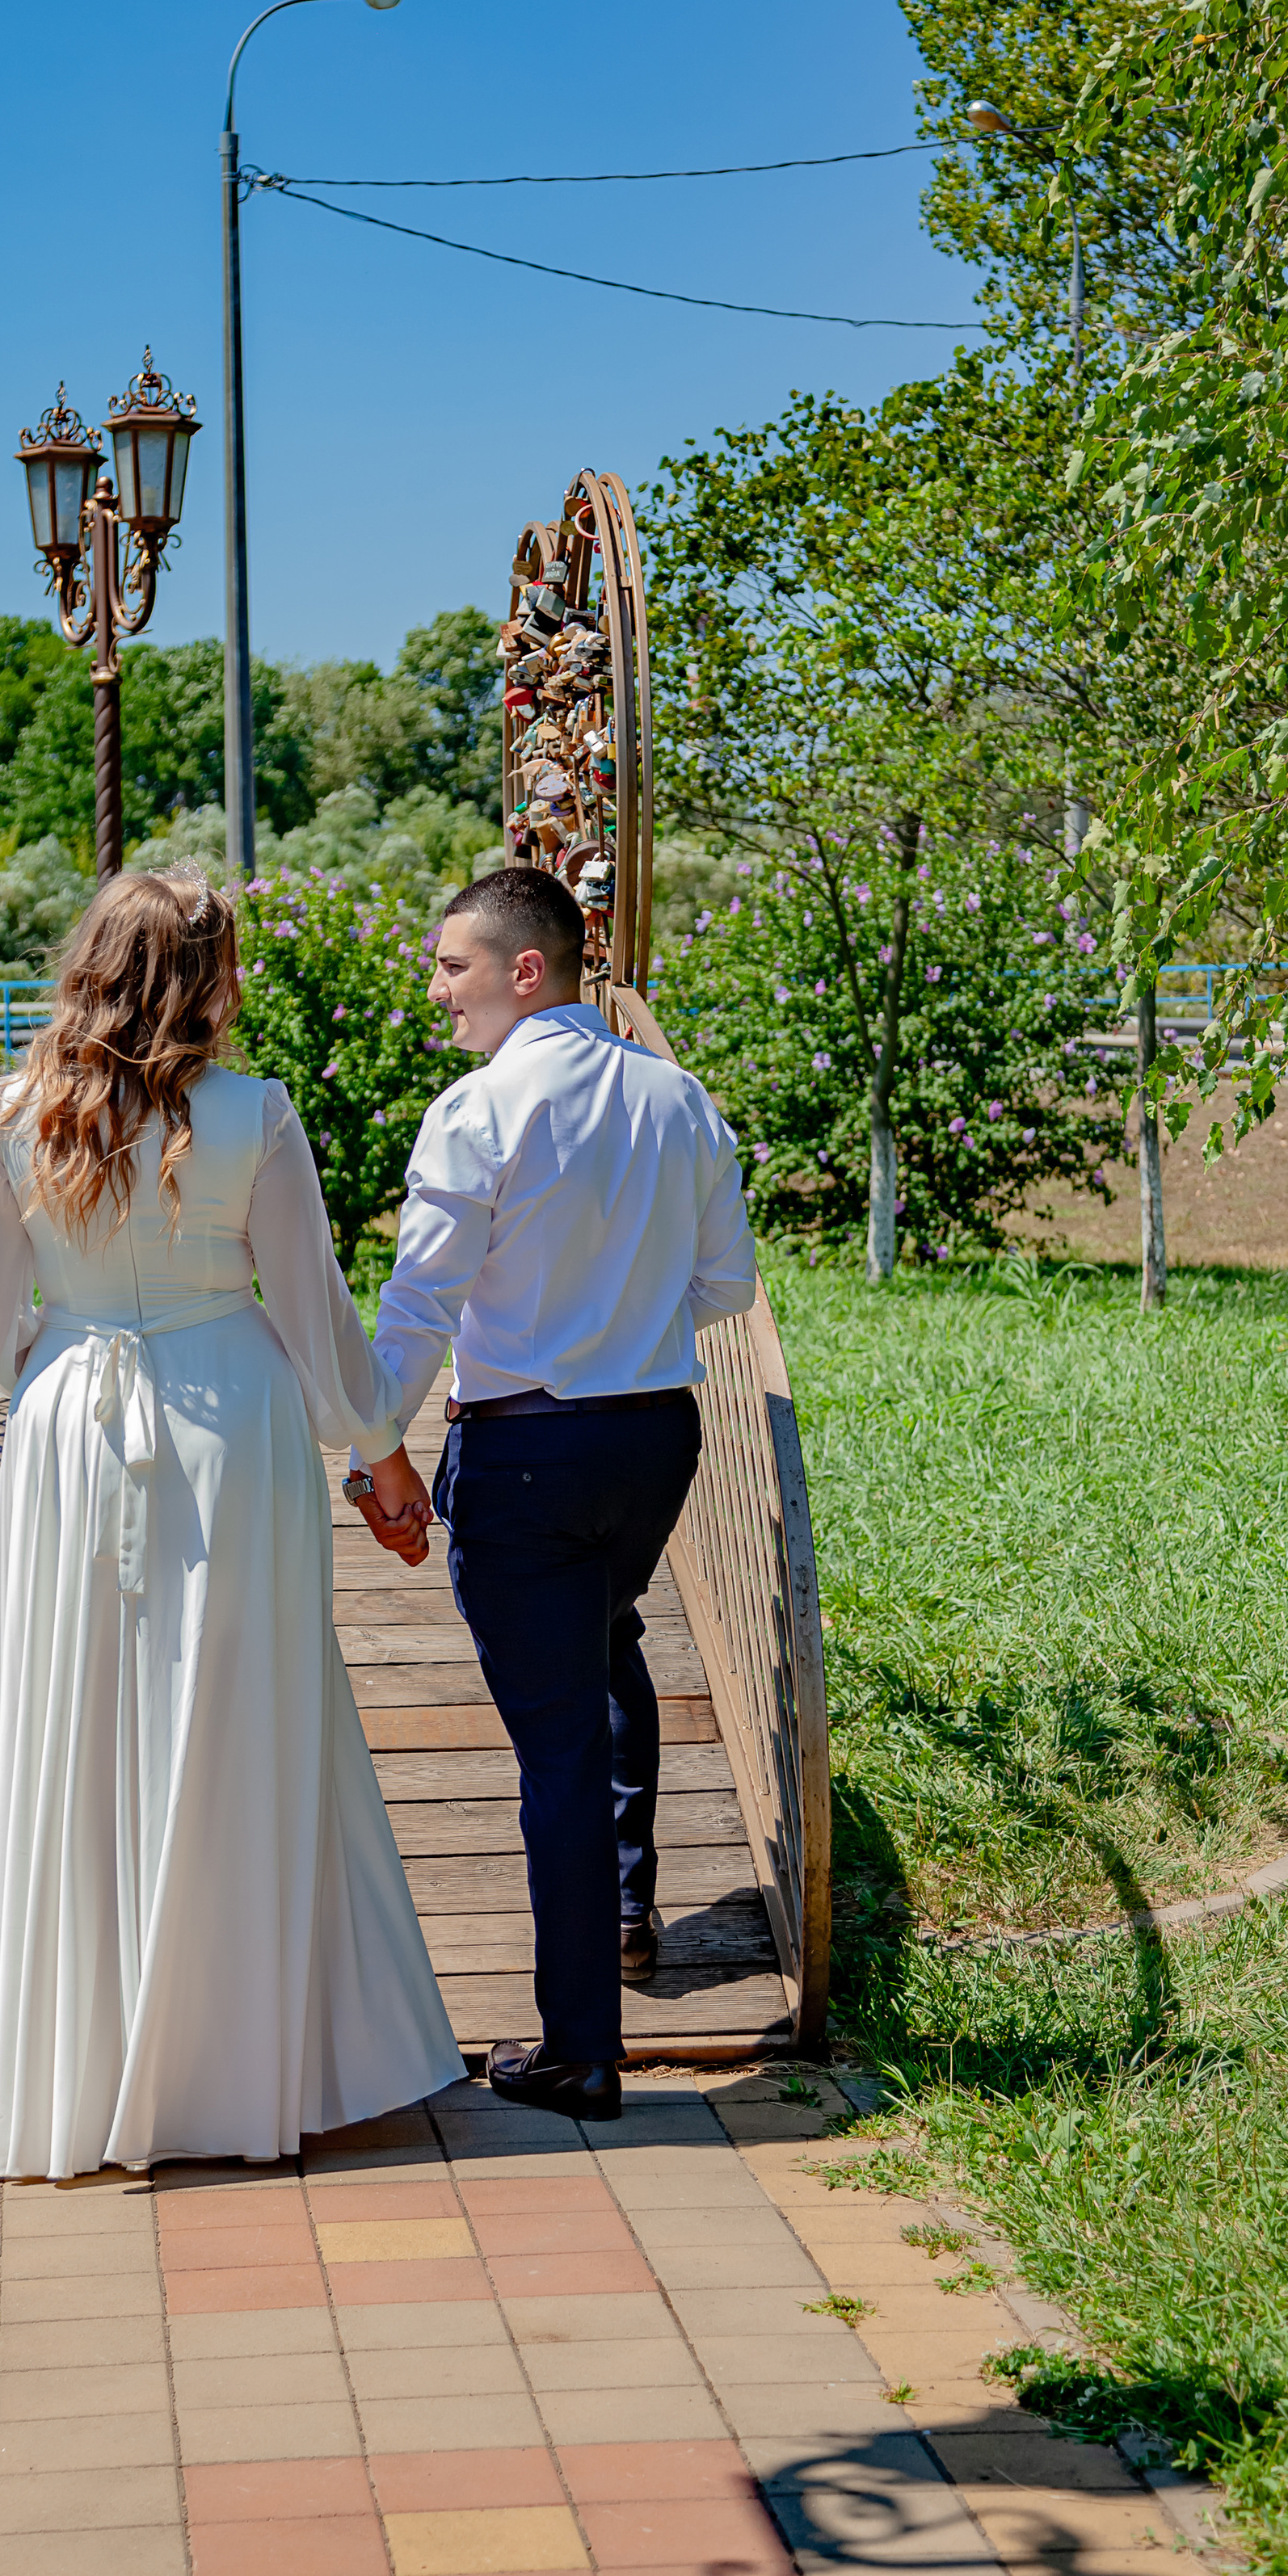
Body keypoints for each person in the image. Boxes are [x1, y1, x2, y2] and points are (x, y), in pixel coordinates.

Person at [0, 871, 461, 2180]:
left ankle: (69, 2071)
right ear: (206, 976)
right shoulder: (254, 1114)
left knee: (71, 1717)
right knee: (244, 1713)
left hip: (67, 1430)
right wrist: (380, 1456)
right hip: (236, 1419)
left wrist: (57, 1357)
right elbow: (316, 1309)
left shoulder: (5, 1116)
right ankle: (238, 2067)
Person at [366, 867, 758, 2122]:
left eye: (452, 967)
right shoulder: (682, 1100)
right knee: (609, 1644)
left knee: (557, 1755)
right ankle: (632, 1903)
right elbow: (726, 1291)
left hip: (527, 1455)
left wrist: (377, 1442)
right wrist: (618, 1319)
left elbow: (421, 1300)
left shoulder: (477, 1112)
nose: (439, 992)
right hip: (653, 1442)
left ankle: (582, 2048)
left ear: (524, 970)